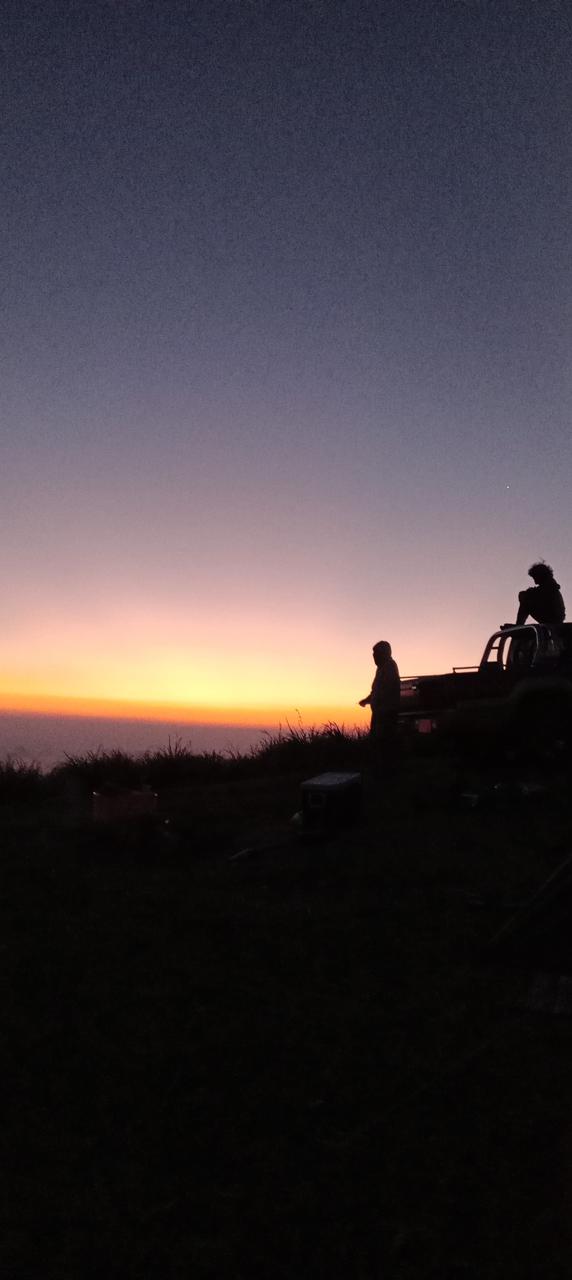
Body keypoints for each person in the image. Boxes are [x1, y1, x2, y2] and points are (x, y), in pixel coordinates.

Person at [359, 640, 401, 756]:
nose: (373, 656)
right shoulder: (381, 668)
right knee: (378, 744)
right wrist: (367, 700)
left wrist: (376, 701)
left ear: (384, 653)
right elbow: (376, 691)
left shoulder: (390, 667)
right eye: (373, 653)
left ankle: (386, 770)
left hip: (386, 714)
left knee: (384, 745)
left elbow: (387, 689)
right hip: (379, 713)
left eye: (376, 653)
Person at [514, 562, 566, 626]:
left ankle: (519, 625)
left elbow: (543, 594)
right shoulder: (549, 586)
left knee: (525, 597)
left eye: (535, 577)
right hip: (552, 618)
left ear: (540, 575)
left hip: (553, 619)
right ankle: (519, 625)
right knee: (525, 597)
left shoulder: (550, 587)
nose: (535, 582)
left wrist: (529, 594)